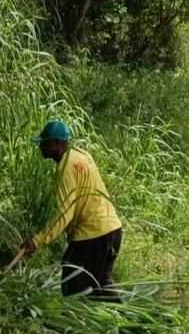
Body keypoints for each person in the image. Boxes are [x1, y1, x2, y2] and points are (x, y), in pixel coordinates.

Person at [16, 120, 123, 300]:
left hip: (92, 235)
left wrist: (38, 240)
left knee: (73, 282)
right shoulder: (82, 155)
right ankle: (121, 324)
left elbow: (65, 212)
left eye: (45, 143)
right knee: (100, 284)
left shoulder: (65, 168)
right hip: (113, 229)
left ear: (57, 144)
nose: (41, 147)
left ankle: (75, 324)